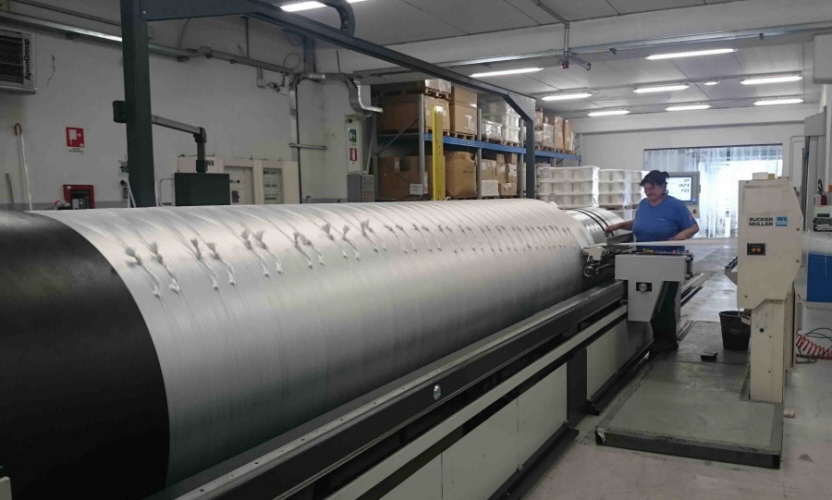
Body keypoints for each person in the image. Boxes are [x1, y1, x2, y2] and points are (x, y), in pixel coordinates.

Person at [606, 170, 699, 352]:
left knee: (664, 300)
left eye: (652, 188)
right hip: (645, 259)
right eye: (646, 189)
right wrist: (619, 225)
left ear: (663, 187)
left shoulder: (675, 205)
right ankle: (656, 335)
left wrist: (682, 235)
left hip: (667, 259)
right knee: (646, 296)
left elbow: (693, 227)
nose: (649, 192)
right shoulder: (644, 204)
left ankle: (667, 340)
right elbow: (638, 223)